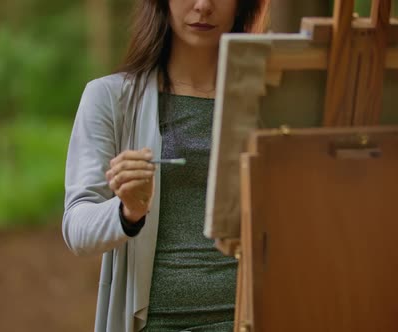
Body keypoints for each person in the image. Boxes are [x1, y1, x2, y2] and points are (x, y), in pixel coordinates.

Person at [62, 1, 268, 331]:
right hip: (155, 322)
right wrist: (128, 210)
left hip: (252, 317)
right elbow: (77, 227)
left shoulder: (271, 99)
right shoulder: (110, 98)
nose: (203, 5)